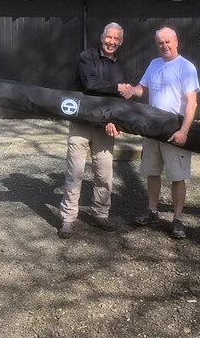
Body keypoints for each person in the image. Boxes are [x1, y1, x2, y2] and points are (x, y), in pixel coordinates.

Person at [58, 22, 133, 239]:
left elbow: (117, 101)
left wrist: (113, 120)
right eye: (108, 37)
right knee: (75, 173)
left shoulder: (121, 67)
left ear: (121, 42)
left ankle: (100, 213)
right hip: (81, 123)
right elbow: (90, 84)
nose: (111, 42)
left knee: (104, 175)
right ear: (102, 37)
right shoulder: (87, 56)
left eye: (116, 39)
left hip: (104, 128)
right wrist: (118, 87)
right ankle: (68, 218)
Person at [127, 27, 200, 239]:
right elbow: (142, 88)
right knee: (152, 172)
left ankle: (178, 219)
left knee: (177, 177)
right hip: (152, 130)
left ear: (176, 42)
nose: (164, 46)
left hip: (174, 130)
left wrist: (184, 131)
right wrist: (130, 91)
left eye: (168, 41)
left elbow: (191, 103)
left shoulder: (186, 67)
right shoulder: (154, 64)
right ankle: (152, 211)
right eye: (160, 42)